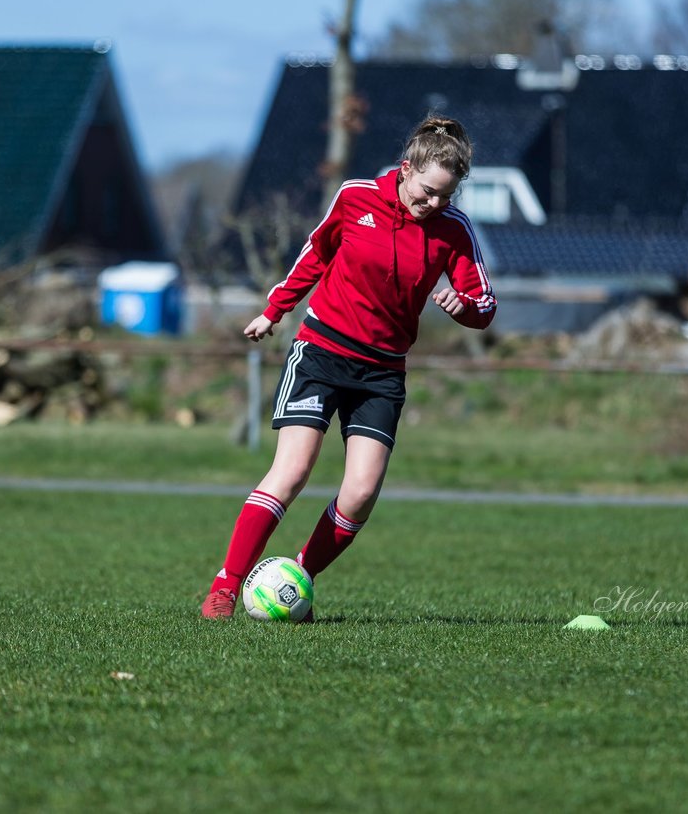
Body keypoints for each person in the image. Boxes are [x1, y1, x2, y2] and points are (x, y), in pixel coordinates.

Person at [200, 114, 496, 620]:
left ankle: (297, 577)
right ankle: (226, 585)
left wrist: (463, 307)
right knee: (290, 472)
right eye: (427, 192)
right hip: (320, 353)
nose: (434, 205)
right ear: (406, 170)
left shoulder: (453, 230)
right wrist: (274, 310)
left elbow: (484, 304)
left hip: (382, 373)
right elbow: (314, 255)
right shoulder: (356, 197)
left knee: (359, 493)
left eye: (446, 197)